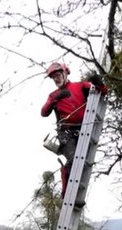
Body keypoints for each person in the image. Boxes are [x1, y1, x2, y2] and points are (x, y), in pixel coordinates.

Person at [40, 62, 108, 204]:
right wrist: (54, 99)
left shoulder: (80, 86)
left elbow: (103, 91)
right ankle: (67, 196)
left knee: (82, 162)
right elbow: (44, 112)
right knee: (73, 160)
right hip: (66, 133)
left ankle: (76, 195)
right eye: (54, 78)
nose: (56, 79)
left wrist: (99, 83)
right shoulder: (53, 95)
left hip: (83, 130)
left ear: (65, 73)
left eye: (58, 75)